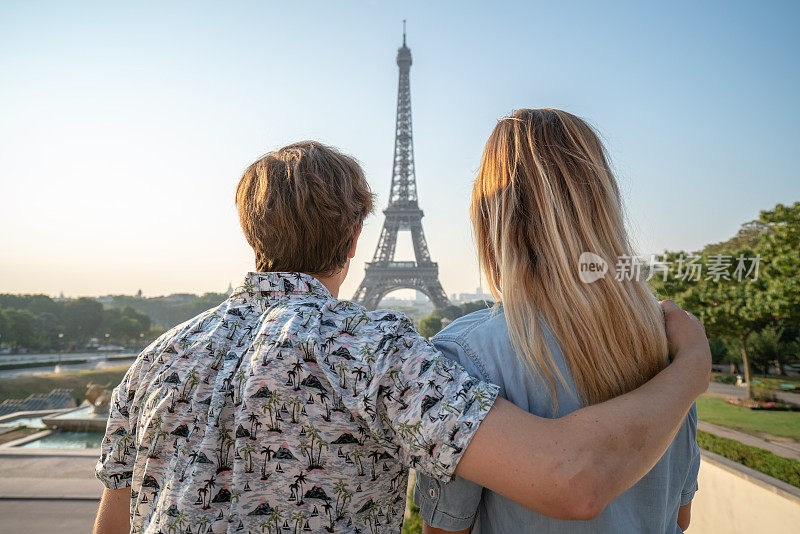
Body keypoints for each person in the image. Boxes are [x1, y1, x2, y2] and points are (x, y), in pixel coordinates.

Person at [92, 141, 710, 534]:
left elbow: (113, 526)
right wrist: (689, 368)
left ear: (251, 230)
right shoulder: (379, 353)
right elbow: (571, 477)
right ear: (361, 237)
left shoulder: (156, 360)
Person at [415, 108, 701, 534]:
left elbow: (445, 529)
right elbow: (679, 516)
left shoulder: (463, 356)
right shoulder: (670, 343)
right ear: (601, 201)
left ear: (493, 216)